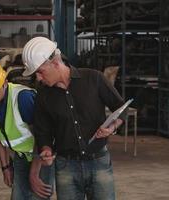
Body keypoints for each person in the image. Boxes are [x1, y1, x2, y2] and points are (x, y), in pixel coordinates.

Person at [22, 37, 125, 200]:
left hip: (99, 163)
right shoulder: (43, 95)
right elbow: (43, 131)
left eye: (40, 72)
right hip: (66, 167)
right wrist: (46, 149)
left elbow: (121, 110)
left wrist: (112, 127)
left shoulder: (94, 78)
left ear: (55, 63)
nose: (39, 78)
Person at [0, 60, 53, 200]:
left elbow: (43, 136)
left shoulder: (23, 99)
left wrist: (34, 174)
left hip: (41, 157)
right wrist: (5, 167)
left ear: (4, 83)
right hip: (20, 157)